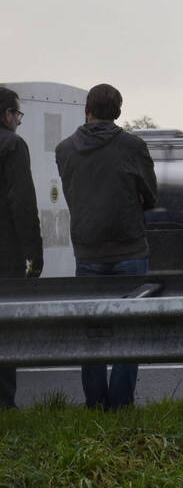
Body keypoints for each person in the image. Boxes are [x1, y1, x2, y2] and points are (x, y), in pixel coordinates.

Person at [56, 83, 157, 410]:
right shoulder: (133, 146)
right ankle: (121, 404)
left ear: (87, 109)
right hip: (129, 250)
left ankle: (95, 404)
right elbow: (151, 196)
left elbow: (73, 194)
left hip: (87, 251)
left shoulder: (64, 150)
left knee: (92, 332)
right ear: (118, 112)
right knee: (130, 332)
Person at [0, 87, 44, 409]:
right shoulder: (12, 145)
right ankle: (4, 403)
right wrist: (34, 251)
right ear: (7, 115)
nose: (18, 120)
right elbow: (22, 203)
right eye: (17, 114)